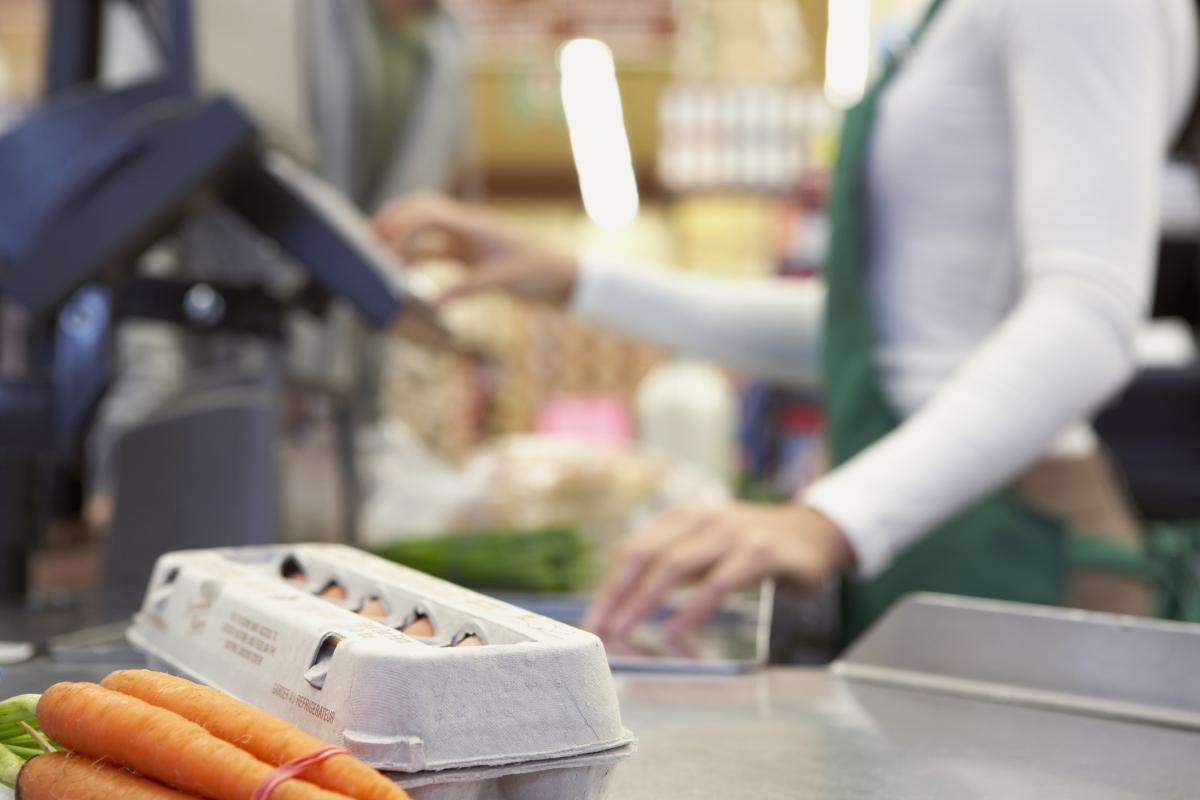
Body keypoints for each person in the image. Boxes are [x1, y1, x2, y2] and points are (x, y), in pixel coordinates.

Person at [376, 0, 1200, 642]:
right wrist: (575, 280)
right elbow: (867, 335)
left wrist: (832, 517)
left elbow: (1090, 313)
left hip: (1016, 540)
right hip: (930, 526)